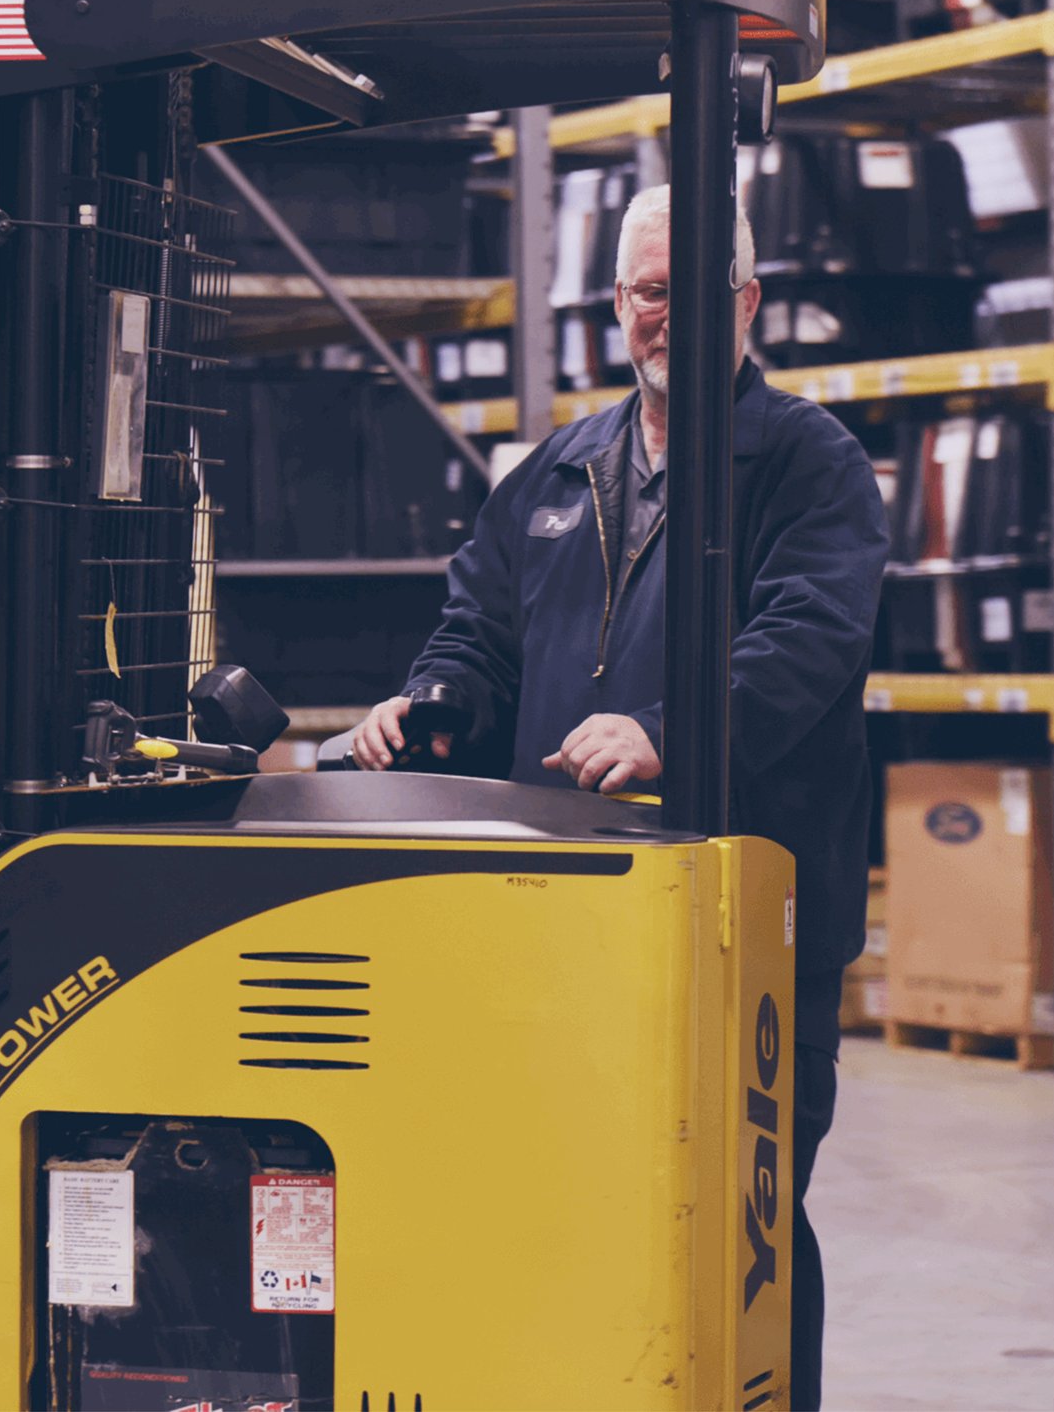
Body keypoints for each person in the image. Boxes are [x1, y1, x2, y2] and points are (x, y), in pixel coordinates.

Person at [349, 184, 887, 1411]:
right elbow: (477, 630)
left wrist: (664, 735)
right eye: (648, 294)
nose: (666, 318)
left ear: (744, 302)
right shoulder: (561, 464)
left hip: (743, 919)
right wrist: (423, 702)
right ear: (618, 305)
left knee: (742, 1215)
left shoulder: (809, 463)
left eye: (693, 294)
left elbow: (806, 643)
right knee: (576, 1202)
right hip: (568, 908)